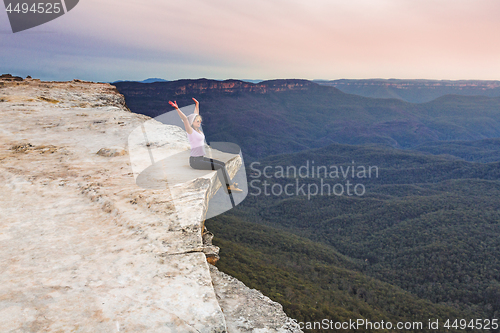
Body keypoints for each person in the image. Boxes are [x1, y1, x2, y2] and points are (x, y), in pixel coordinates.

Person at [169, 98, 242, 194]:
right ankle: (229, 187)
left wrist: (197, 105)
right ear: (192, 123)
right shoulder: (191, 131)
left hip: (201, 158)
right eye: (196, 121)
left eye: (199, 121)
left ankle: (228, 186)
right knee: (219, 167)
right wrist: (177, 108)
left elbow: (196, 115)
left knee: (222, 165)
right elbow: (185, 119)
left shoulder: (198, 130)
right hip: (195, 161)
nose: (199, 122)